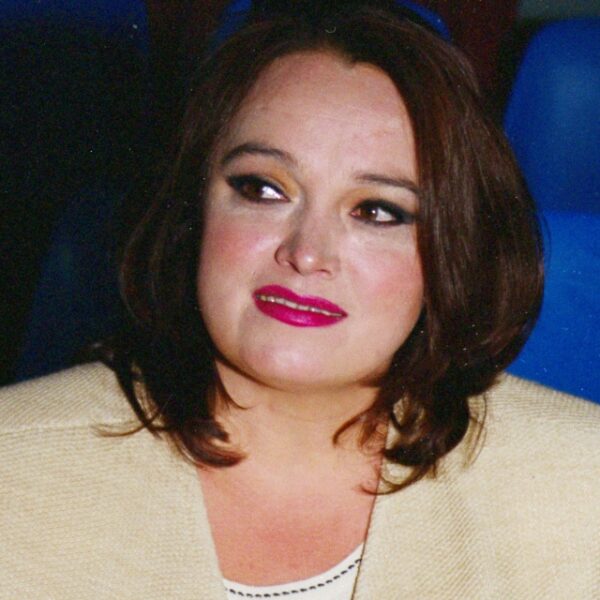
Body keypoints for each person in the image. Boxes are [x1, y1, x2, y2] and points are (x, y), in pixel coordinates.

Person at [1, 1, 599, 598]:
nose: (307, 253)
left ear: (453, 251)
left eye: (377, 211)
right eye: (263, 189)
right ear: (192, 211)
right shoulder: (15, 468)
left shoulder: (581, 486)